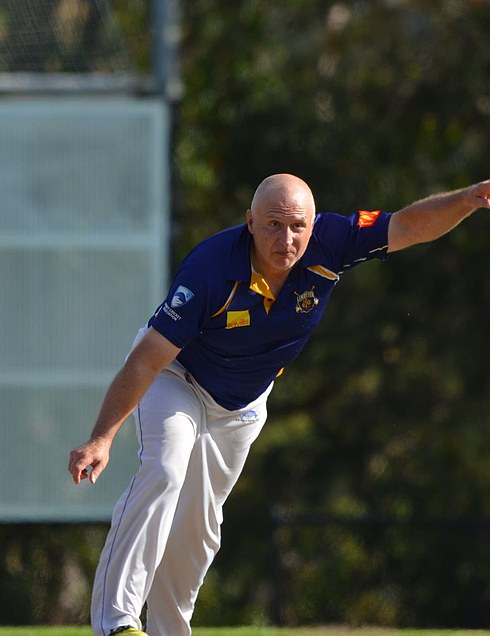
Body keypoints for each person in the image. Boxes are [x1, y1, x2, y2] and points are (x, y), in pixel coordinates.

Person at [69, 173, 490, 636]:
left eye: (297, 227)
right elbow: (146, 360)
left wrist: (468, 200)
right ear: (250, 222)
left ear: (313, 227)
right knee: (165, 471)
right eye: (272, 224)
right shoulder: (210, 268)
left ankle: (170, 630)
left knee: (200, 525)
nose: (285, 239)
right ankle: (116, 624)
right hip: (177, 379)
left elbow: (408, 225)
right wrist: (102, 437)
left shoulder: (334, 242)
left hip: (242, 404)